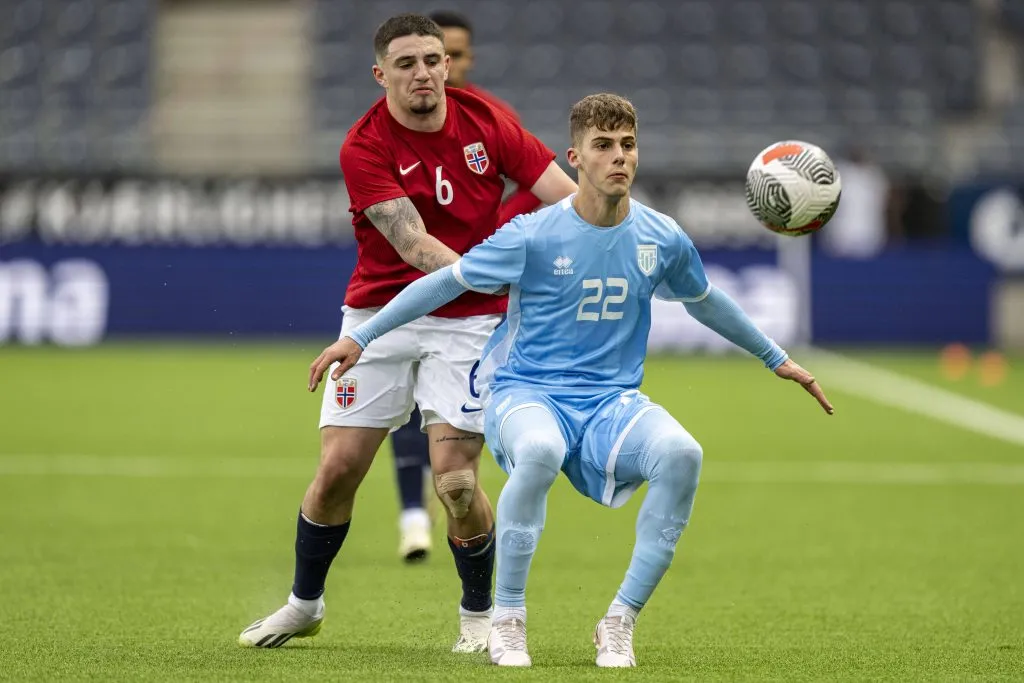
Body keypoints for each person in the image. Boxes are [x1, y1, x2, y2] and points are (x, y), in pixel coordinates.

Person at [308, 93, 834, 668]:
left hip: (612, 402)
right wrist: (361, 336)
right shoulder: (532, 234)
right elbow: (444, 283)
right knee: (540, 450)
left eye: (628, 145)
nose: (619, 158)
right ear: (575, 158)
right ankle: (507, 620)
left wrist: (774, 357)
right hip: (525, 394)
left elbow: (705, 301)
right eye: (603, 147)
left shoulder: (661, 237)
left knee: (683, 454)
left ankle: (619, 621)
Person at [238, 13, 577, 652]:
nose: (421, 73)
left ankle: (477, 618)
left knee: (454, 481)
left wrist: (616, 228)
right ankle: (303, 605)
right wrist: (499, 270)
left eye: (431, 60)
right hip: (380, 315)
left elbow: (563, 197)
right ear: (381, 74)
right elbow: (415, 246)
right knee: (339, 467)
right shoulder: (363, 145)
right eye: (405, 64)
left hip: (469, 325)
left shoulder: (488, 122)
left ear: (446, 64)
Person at [387, 9, 546, 564]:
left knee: (451, 429)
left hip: (473, 295)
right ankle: (412, 516)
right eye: (416, 60)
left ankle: (465, 531)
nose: (432, 72)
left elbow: (536, 184)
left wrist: (499, 236)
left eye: (443, 57)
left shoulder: (491, 117)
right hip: (406, 286)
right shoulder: (385, 128)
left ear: (461, 60)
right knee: (402, 404)